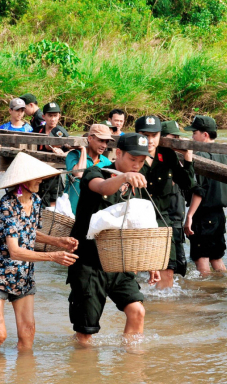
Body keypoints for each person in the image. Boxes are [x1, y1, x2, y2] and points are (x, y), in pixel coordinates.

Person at [0, 152, 79, 351]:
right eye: (36, 176)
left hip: (22, 274)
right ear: (22, 182)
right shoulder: (7, 206)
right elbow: (14, 251)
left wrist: (58, 241)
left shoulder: (35, 201)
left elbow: (30, 231)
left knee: (28, 332)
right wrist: (53, 256)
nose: (41, 180)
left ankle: (23, 378)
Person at [68, 133, 160, 345]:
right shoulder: (95, 172)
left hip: (120, 261)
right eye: (132, 159)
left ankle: (131, 370)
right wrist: (124, 177)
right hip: (88, 262)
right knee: (86, 333)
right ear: (118, 153)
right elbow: (102, 188)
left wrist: (149, 261)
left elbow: (137, 223)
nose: (137, 165)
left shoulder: (136, 182)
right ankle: (84, 372)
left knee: (137, 311)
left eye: (141, 161)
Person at [135, 115, 197, 289]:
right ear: (137, 134)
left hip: (162, 221)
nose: (149, 140)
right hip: (136, 222)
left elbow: (187, 184)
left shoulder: (166, 155)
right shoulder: (131, 155)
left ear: (160, 136)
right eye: (144, 135)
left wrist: (188, 158)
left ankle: (165, 311)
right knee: (132, 270)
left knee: (168, 270)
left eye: (153, 135)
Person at [183, 115, 227, 276]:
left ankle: (206, 294)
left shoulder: (200, 157)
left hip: (203, 215)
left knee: (201, 259)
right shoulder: (226, 155)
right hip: (219, 215)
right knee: (216, 258)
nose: (192, 136)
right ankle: (222, 289)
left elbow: (200, 190)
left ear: (205, 134)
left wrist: (190, 215)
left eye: (195, 132)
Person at [161, 120, 192, 279]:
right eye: (174, 137)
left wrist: (188, 158)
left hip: (177, 219)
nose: (177, 141)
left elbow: (189, 184)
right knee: (169, 264)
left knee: (180, 265)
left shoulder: (174, 158)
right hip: (166, 219)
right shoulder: (159, 159)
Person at [65, 124, 114, 215]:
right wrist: (83, 149)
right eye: (101, 141)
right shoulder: (74, 155)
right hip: (71, 211)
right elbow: (79, 174)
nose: (104, 145)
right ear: (90, 139)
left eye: (106, 142)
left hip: (93, 212)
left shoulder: (106, 162)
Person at [34, 102, 68, 206]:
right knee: (35, 200)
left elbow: (73, 150)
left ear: (59, 117)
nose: (52, 119)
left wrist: (63, 153)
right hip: (37, 172)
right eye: (50, 116)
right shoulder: (37, 132)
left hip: (55, 174)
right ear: (44, 117)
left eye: (55, 116)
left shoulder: (62, 133)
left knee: (54, 201)